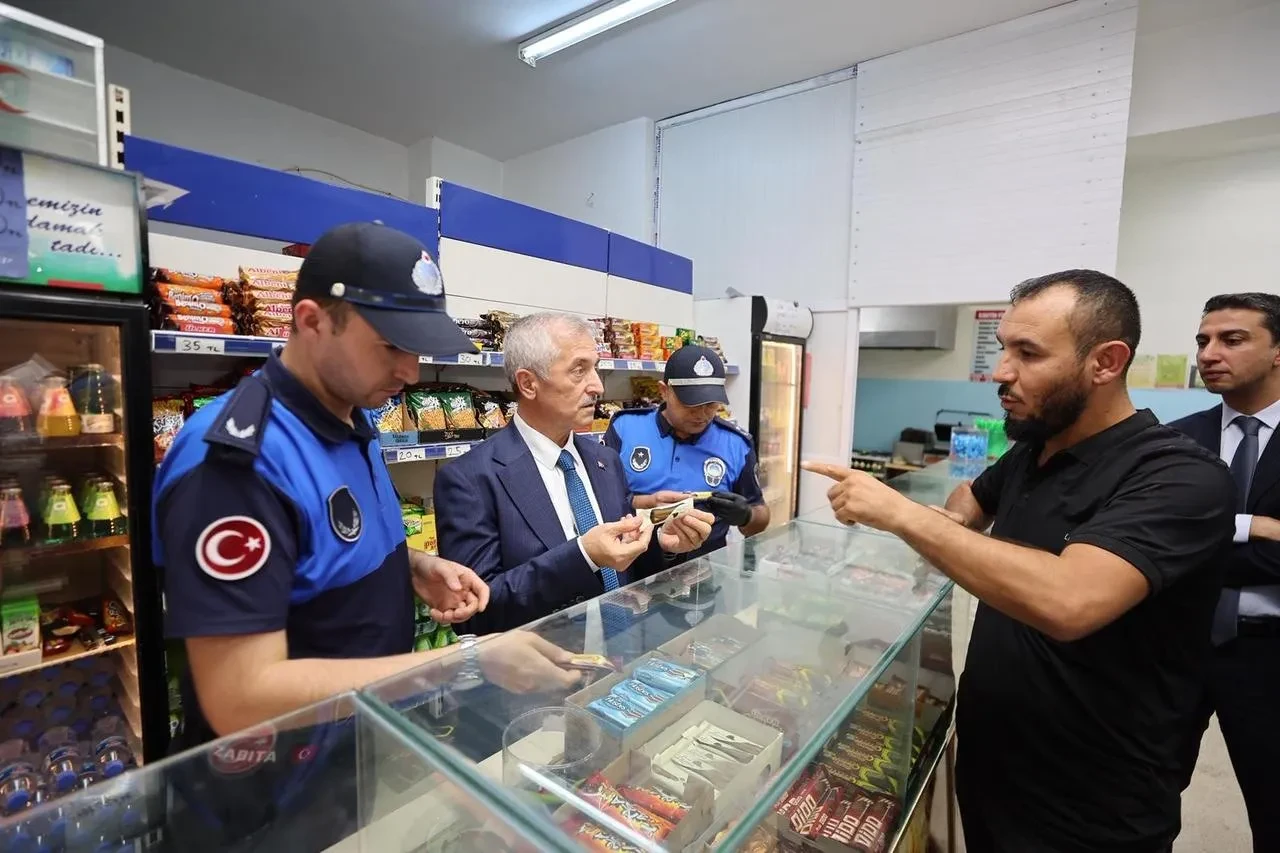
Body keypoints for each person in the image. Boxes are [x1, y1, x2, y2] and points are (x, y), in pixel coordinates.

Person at [805, 270, 1235, 853]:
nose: (1001, 372)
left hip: (1093, 805)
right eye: (1004, 348)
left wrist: (902, 515)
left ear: (1105, 362)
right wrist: (951, 523)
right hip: (995, 768)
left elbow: (1069, 600)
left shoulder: (1180, 477)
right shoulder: (1036, 449)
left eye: (1028, 354)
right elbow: (970, 500)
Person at [153, 223, 581, 751]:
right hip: (271, 780)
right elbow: (238, 696)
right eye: (391, 346)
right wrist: (462, 661)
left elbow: (316, 550)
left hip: (353, 747)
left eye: (419, 349)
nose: (411, 371)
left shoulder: (351, 415)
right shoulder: (239, 463)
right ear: (312, 321)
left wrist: (408, 567)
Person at [434, 312, 716, 635]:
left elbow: (624, 566)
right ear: (528, 383)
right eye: (579, 370)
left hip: (622, 653)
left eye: (595, 368)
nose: (597, 386)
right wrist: (584, 555)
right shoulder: (469, 480)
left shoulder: (605, 461)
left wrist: (663, 547)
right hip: (542, 662)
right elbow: (475, 614)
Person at [1170, 292, 1280, 853]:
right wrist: (1250, 525)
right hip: (1174, 647)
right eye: (1203, 340)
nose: (1209, 354)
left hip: (1270, 654)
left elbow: (1177, 547)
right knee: (1138, 799)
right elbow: (1154, 541)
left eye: (1232, 339)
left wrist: (1197, 544)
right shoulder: (1174, 440)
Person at [604, 345, 769, 556]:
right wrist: (644, 503)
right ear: (664, 391)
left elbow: (760, 518)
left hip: (704, 568)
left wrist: (746, 516)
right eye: (691, 404)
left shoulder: (737, 444)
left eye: (711, 404)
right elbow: (601, 502)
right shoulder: (624, 427)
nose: (701, 414)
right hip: (630, 561)